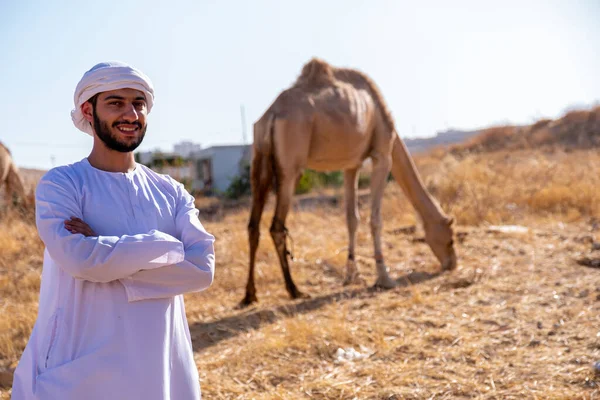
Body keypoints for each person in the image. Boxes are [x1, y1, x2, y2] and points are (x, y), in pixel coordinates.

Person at [11, 61, 215, 400]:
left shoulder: (171, 191)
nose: (131, 114)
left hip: (160, 369)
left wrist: (105, 250)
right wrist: (166, 248)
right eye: (116, 103)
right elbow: (81, 262)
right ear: (88, 110)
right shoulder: (62, 185)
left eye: (138, 103)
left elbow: (202, 270)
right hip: (83, 370)